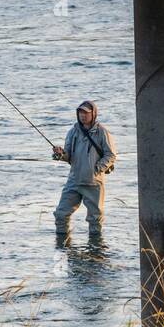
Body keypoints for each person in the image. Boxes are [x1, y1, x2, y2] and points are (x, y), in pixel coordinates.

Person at [52, 100, 116, 240]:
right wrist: (60, 154)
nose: (83, 115)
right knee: (61, 215)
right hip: (74, 181)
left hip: (93, 183)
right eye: (80, 112)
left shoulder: (102, 132)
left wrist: (96, 169)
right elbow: (68, 155)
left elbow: (110, 155)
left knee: (95, 219)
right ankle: (63, 248)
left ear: (93, 114)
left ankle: (95, 251)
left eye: (86, 113)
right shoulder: (73, 132)